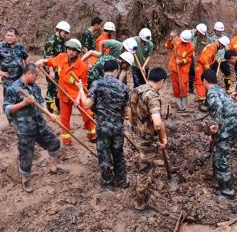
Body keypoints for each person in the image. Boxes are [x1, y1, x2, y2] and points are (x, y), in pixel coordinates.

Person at [3, 63, 68, 192]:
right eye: (36, 75)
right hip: (25, 127)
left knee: (54, 143)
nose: (37, 78)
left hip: (40, 124)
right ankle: (25, 180)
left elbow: (41, 102)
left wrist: (49, 114)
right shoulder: (13, 89)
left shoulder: (35, 87)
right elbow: (7, 109)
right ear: (28, 73)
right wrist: (23, 103)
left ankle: (53, 168)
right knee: (26, 154)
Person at [76, 59, 129, 188]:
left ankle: (108, 183)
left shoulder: (97, 84)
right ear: (115, 71)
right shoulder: (123, 87)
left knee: (104, 154)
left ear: (103, 71)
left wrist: (80, 89)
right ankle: (122, 181)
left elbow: (87, 104)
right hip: (118, 126)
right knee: (118, 153)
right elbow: (127, 112)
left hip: (103, 127)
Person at [35, 39, 96, 144]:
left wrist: (78, 98)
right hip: (63, 94)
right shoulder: (61, 57)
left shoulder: (82, 66)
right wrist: (42, 61)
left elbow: (84, 85)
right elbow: (51, 61)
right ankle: (66, 139)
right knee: (64, 118)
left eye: (73, 50)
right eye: (69, 49)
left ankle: (92, 134)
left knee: (88, 114)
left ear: (78, 52)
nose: (70, 52)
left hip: (77, 94)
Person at [129, 67, 168, 210]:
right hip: (147, 139)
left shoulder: (135, 90)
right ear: (162, 81)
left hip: (137, 134)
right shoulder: (153, 96)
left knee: (146, 162)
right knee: (144, 170)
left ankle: (147, 182)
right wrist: (163, 138)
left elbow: (130, 114)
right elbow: (158, 122)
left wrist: (135, 127)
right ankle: (140, 203)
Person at [202, 69, 237, 200]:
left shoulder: (212, 92)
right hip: (233, 126)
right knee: (218, 154)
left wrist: (216, 124)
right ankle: (220, 181)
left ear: (204, 81)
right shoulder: (221, 90)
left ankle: (227, 192)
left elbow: (217, 107)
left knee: (220, 159)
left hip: (227, 129)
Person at [0, 27, 29, 98]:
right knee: (9, 99)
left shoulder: (20, 46)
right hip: (8, 79)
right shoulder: (0, 46)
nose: (9, 37)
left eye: (11, 36)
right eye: (7, 35)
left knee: (20, 98)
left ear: (16, 37)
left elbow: (26, 57)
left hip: (20, 78)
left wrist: (26, 70)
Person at [195, 35, 230, 110]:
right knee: (200, 82)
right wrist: (208, 70)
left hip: (204, 64)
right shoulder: (212, 47)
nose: (223, 48)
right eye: (223, 46)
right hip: (201, 65)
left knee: (205, 82)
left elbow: (210, 56)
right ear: (221, 44)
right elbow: (205, 59)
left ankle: (205, 99)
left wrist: (216, 59)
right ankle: (201, 102)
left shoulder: (214, 46)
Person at [43, 21, 71, 113]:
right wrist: (51, 72)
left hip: (59, 69)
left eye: (67, 33)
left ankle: (59, 108)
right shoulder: (51, 41)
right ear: (59, 30)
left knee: (59, 88)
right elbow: (48, 57)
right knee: (51, 88)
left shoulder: (63, 41)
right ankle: (50, 110)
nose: (66, 35)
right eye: (65, 33)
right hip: (51, 68)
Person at [165, 30, 194, 111]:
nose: (183, 42)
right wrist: (171, 38)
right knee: (175, 84)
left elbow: (189, 59)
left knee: (183, 84)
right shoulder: (176, 40)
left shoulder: (191, 47)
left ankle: (184, 100)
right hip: (174, 67)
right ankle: (177, 99)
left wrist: (181, 61)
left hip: (183, 69)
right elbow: (168, 47)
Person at [207, 22, 233, 93]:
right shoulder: (211, 37)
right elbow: (208, 49)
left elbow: (227, 47)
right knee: (213, 75)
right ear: (215, 30)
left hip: (223, 59)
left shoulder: (224, 36)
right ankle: (213, 89)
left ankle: (228, 88)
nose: (219, 32)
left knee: (228, 73)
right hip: (215, 60)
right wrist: (214, 58)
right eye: (218, 31)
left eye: (221, 31)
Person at [188, 23, 208, 94]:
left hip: (191, 55)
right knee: (183, 72)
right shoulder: (189, 34)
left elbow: (196, 43)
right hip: (184, 55)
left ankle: (191, 88)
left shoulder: (196, 36)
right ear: (197, 30)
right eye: (200, 33)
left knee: (192, 72)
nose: (200, 35)